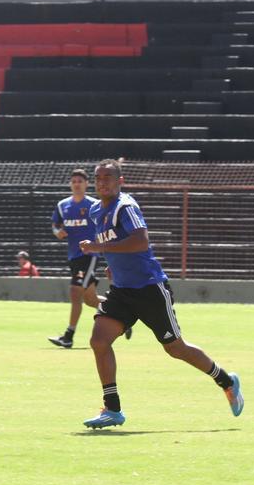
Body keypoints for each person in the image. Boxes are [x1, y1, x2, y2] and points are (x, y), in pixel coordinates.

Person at [78, 159, 244, 429]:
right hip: (122, 290)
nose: (102, 182)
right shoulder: (97, 210)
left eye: (108, 177)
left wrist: (100, 248)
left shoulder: (125, 206)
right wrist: (112, 264)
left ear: (120, 182)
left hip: (149, 289)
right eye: (98, 177)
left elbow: (140, 240)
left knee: (176, 348)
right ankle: (112, 409)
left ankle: (226, 380)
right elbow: (116, 243)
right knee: (99, 340)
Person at [48, 168, 124, 348]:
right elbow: (54, 224)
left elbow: (106, 224)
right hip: (73, 256)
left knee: (75, 293)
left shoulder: (94, 205)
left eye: (80, 181)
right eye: (73, 181)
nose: (76, 184)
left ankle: (68, 335)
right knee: (90, 299)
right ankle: (121, 313)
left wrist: (101, 243)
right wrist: (57, 232)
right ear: (70, 184)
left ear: (86, 184)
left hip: (89, 255)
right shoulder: (62, 206)